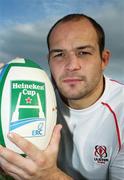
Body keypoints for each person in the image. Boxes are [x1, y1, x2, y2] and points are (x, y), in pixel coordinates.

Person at [0, 13, 124, 180]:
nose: (71, 66)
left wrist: (50, 177)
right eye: (59, 54)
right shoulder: (37, 95)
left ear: (103, 59)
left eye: (83, 52)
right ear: (49, 61)